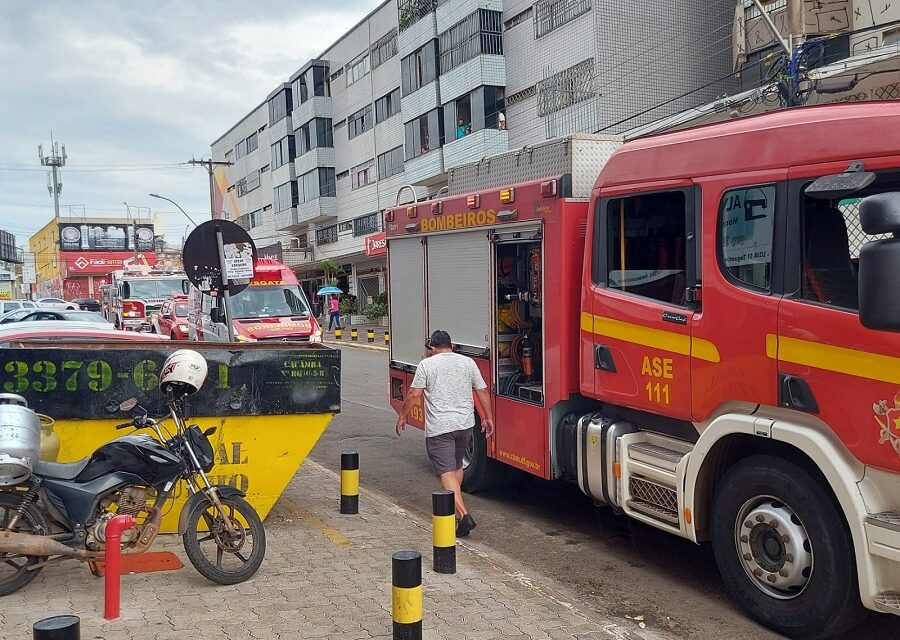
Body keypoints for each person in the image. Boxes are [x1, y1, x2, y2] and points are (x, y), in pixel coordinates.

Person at [395, 330, 494, 537]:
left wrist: (403, 415)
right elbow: (482, 391)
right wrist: (488, 417)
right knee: (457, 467)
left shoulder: (427, 365)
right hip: (465, 425)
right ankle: (459, 518)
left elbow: (414, 394)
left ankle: (464, 516)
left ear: (431, 348)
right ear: (452, 346)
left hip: (441, 428)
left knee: (445, 473)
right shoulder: (468, 362)